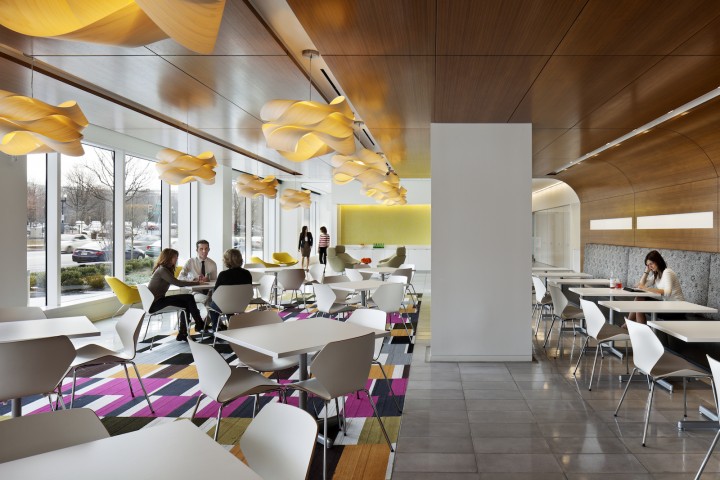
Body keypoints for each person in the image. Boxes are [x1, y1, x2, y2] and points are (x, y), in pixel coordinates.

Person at [147, 248, 204, 342]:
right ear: (168, 257)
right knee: (189, 297)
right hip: (155, 304)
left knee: (187, 303)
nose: (176, 259)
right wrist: (198, 283)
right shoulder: (162, 270)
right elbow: (178, 283)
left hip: (158, 301)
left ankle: (183, 333)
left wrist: (193, 282)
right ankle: (199, 323)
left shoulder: (164, 269)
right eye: (175, 257)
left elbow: (178, 282)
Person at [626, 250, 685, 325]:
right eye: (648, 265)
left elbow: (667, 293)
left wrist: (645, 288)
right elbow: (642, 284)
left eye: (651, 263)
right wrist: (646, 271)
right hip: (667, 305)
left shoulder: (667, 272)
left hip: (678, 308)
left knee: (639, 302)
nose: (650, 266)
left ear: (658, 261)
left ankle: (629, 325)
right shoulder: (656, 275)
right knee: (639, 299)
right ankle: (632, 326)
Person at [207, 248, 252, 332]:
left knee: (212, 305)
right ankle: (232, 327)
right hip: (241, 304)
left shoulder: (223, 275)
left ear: (226, 260)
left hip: (225, 304)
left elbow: (216, 294)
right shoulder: (247, 273)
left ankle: (216, 329)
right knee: (228, 303)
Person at [179, 239, 218, 304]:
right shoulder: (190, 262)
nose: (204, 251)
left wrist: (208, 279)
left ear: (209, 250)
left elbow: (215, 281)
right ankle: (208, 313)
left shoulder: (213, 263)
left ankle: (210, 312)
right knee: (208, 300)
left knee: (214, 299)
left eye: (206, 248)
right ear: (197, 250)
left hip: (209, 292)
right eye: (201, 249)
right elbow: (180, 277)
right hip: (195, 292)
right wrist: (193, 279)